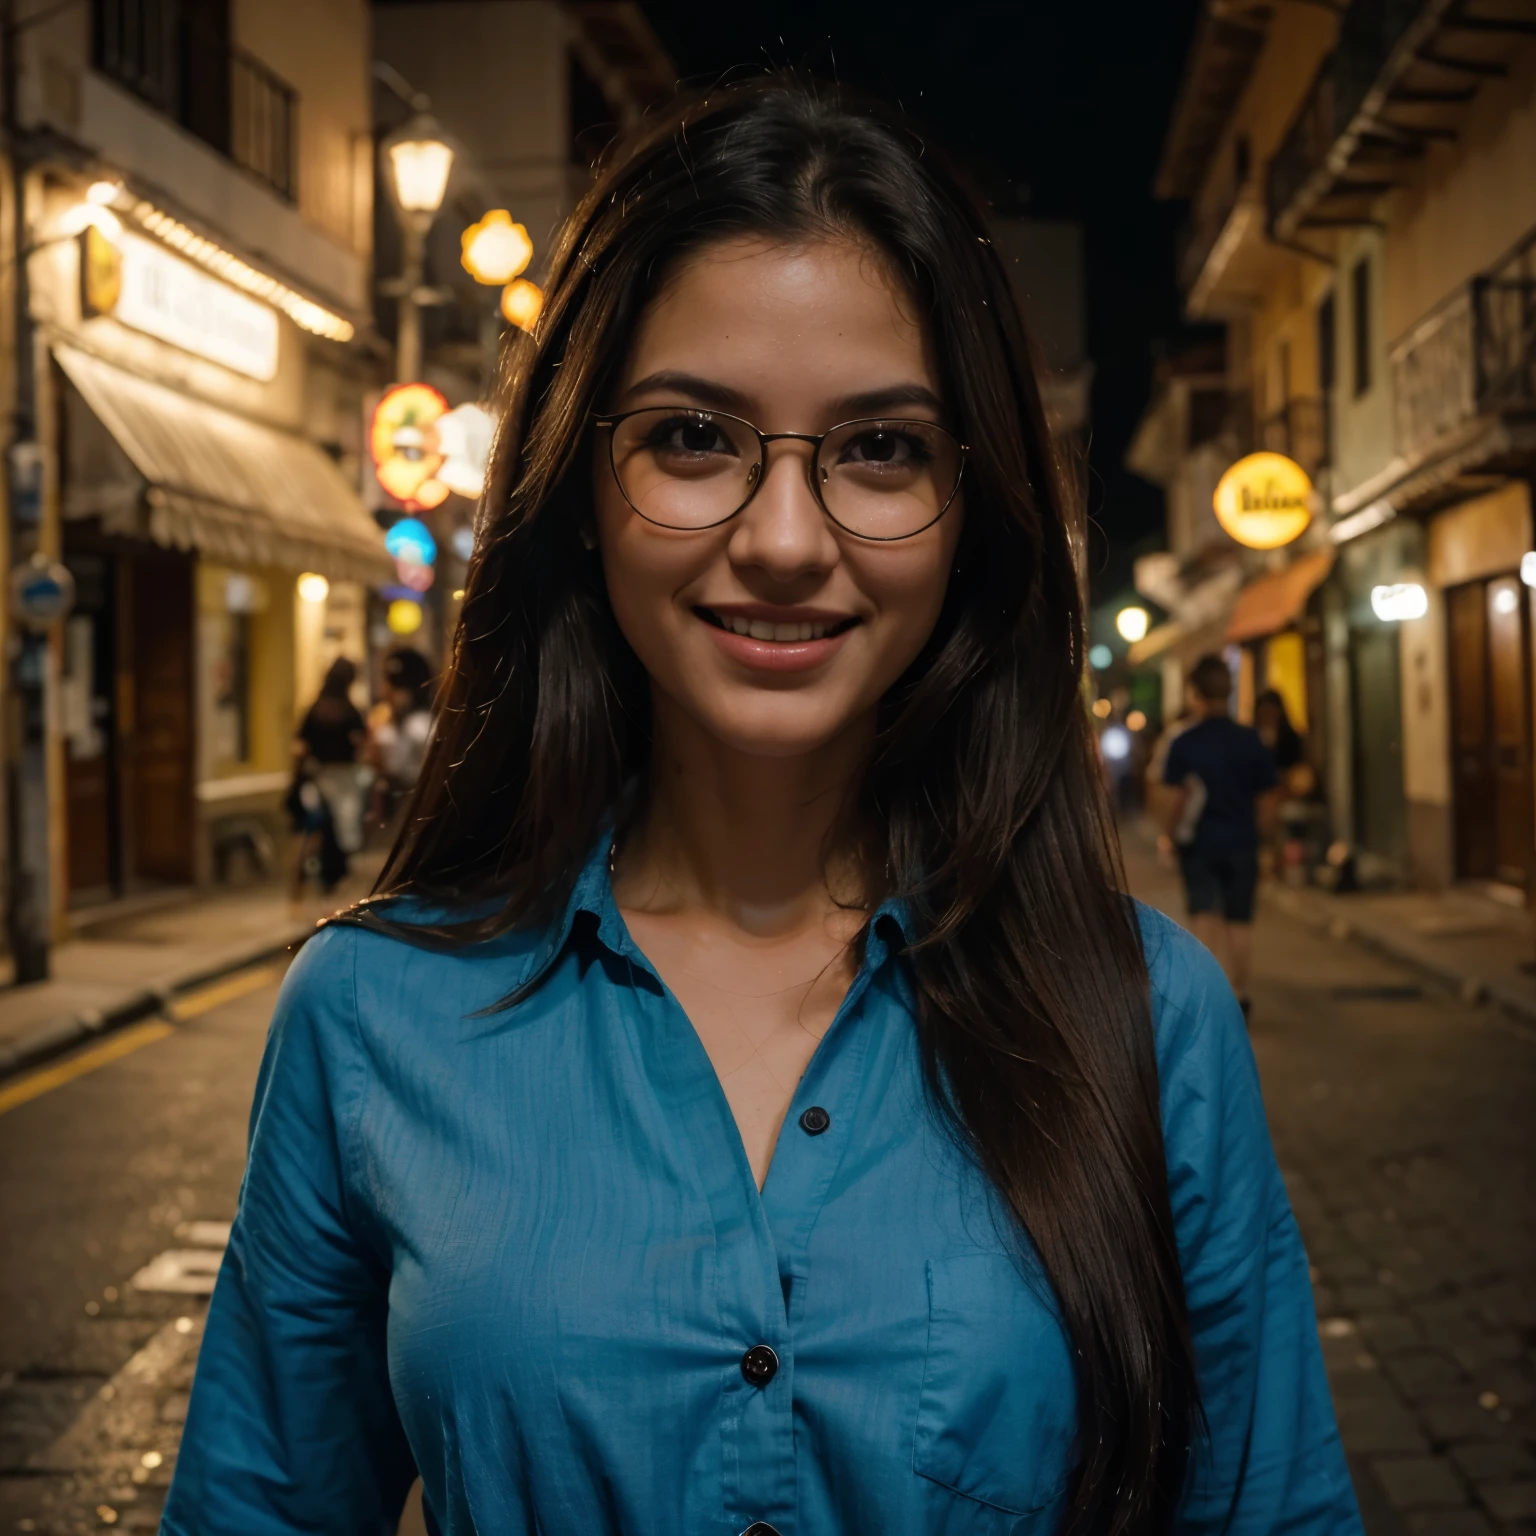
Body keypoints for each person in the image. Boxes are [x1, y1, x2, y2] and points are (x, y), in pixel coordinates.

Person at [164, 79, 1359, 1536]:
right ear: (578, 488)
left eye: (878, 450)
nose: (784, 540)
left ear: (970, 507)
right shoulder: (369, 1015)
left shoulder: (1149, 1018)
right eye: (692, 438)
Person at [1162, 655, 1281, 1019]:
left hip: (1200, 845)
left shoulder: (1185, 743)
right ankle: (1239, 995)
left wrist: (1168, 837)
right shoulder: (1250, 741)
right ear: (1228, 691)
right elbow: (1267, 801)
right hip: (1242, 842)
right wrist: (1266, 845)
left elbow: (1177, 798)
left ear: (1195, 693)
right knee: (1239, 922)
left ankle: (1205, 999)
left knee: (1203, 919)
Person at [291, 657, 369, 893]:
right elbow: (361, 744)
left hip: (318, 777)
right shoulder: (350, 712)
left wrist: (297, 777)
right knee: (342, 833)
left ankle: (302, 891)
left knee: (316, 832)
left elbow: (301, 747)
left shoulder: (314, 710)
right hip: (344, 780)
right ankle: (334, 886)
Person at [367, 647, 435, 828]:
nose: (386, 693)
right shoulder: (404, 723)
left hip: (416, 801)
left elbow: (396, 766)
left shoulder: (417, 726)